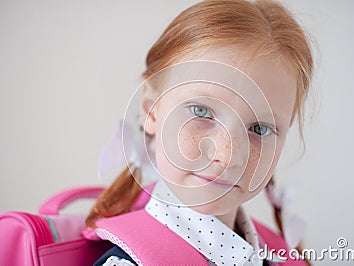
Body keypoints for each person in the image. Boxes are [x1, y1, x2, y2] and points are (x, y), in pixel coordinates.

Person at [86, 0, 314, 265]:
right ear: (152, 110)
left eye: (259, 129)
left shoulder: (276, 253)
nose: (228, 156)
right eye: (201, 112)